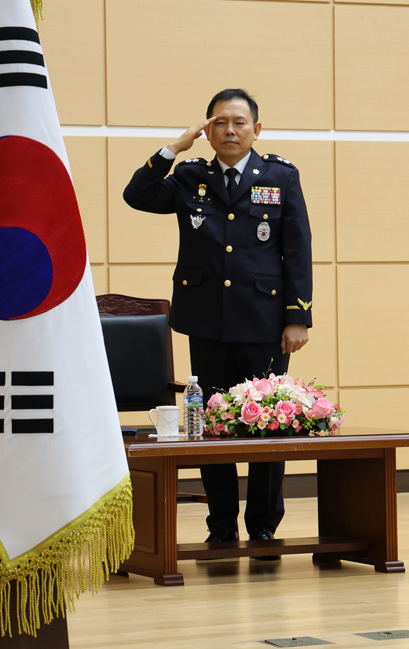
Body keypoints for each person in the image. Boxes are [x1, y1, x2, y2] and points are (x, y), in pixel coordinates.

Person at [123, 88, 313, 556]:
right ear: (207, 130)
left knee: (268, 425)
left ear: (256, 130)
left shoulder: (280, 176)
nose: (230, 130)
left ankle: (264, 524)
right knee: (211, 424)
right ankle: (222, 523)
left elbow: (297, 249)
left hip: (265, 322)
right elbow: (137, 195)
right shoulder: (190, 176)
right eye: (219, 122)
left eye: (239, 122)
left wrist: (298, 317)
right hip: (207, 321)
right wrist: (174, 148)